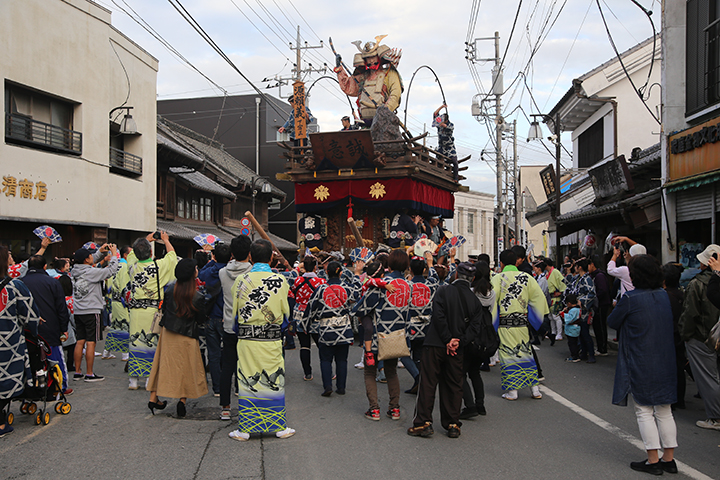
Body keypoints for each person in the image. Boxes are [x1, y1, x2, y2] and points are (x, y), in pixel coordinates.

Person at [607, 255, 678, 475]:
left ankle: (652, 460)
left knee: (644, 411)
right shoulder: (664, 296)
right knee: (664, 410)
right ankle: (669, 459)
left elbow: (612, 321)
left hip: (641, 358)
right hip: (665, 358)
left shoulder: (630, 298)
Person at [229, 239, 294, 441]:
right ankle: (278, 426)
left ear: (250, 256)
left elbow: (236, 313)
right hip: (271, 338)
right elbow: (286, 312)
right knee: (274, 378)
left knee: (248, 379)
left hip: (248, 339)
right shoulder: (281, 281)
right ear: (272, 256)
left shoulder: (241, 280)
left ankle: (246, 429)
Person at [408, 262, 482, 438]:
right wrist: (458, 341)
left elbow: (438, 316)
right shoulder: (475, 301)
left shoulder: (442, 291)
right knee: (454, 384)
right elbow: (475, 328)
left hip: (435, 343)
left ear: (456, 275)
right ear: (472, 279)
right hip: (457, 348)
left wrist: (447, 338)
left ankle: (423, 422)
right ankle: (453, 423)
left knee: (428, 383)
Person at [353, 249, 411, 421]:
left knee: (370, 372)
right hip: (397, 337)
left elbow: (361, 308)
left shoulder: (381, 284)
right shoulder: (410, 285)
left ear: (389, 264)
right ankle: (394, 409)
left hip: (377, 337)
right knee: (392, 372)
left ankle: (374, 409)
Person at [147, 258, 208, 417]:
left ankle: (153, 398)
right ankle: (182, 401)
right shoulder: (197, 296)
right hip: (188, 336)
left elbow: (166, 310)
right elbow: (201, 320)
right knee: (186, 368)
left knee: (162, 364)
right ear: (192, 273)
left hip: (168, 333)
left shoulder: (169, 290)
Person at [490, 249, 549, 401]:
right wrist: (532, 317)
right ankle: (535, 390)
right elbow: (538, 298)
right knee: (526, 353)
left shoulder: (498, 278)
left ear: (501, 263)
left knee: (508, 355)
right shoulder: (527, 277)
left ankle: (513, 391)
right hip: (522, 323)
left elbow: (490, 299)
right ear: (517, 261)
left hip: (505, 324)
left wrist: (492, 320)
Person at [126, 232, 178, 390]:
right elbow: (172, 256)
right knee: (150, 343)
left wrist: (147, 239)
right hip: (152, 311)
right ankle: (149, 378)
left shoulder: (132, 265)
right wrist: (165, 240)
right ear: (151, 253)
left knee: (135, 342)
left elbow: (132, 253)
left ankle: (133, 380)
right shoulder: (158, 266)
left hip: (135, 311)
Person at [0, 246, 41, 438]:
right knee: (7, 380)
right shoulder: (14, 286)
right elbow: (31, 316)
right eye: (8, 255)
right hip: (8, 342)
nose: (11, 257)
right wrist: (33, 331)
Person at [678, 244, 720, 431]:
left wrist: (685, 335)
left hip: (702, 336)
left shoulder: (698, 284)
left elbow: (690, 314)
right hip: (715, 334)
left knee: (708, 378)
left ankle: (715, 417)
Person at [303, 261, 357, 396]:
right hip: (344, 328)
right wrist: (357, 274)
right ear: (341, 272)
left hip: (326, 328)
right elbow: (358, 293)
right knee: (342, 359)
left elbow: (311, 307)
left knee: (325, 359)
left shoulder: (321, 289)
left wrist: (305, 325)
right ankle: (341, 387)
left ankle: (327, 386)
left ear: (326, 272)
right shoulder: (347, 287)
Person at [21, 255, 72, 394]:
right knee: (55, 360)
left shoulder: (20, 282)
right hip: (50, 329)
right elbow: (61, 308)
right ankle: (60, 387)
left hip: (26, 330)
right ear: (45, 267)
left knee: (30, 360)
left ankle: (30, 389)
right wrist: (64, 328)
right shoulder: (53, 282)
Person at [71, 243, 119, 382]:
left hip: (78, 310)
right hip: (91, 310)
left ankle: (78, 372)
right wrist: (114, 255)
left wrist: (99, 252)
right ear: (86, 259)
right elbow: (111, 271)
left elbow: (89, 262)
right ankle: (90, 373)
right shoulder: (91, 273)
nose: (93, 257)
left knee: (80, 341)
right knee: (91, 342)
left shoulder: (75, 270)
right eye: (90, 255)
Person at [218, 235, 253, 421]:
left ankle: (225, 407)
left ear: (232, 253)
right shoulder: (252, 274)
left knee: (228, 367)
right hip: (247, 326)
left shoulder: (223, 273)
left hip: (229, 325)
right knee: (247, 366)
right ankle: (246, 405)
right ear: (249, 253)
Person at [334, 35, 402, 127]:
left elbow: (395, 95)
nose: (371, 60)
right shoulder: (363, 77)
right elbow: (348, 86)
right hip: (365, 124)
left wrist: (385, 110)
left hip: (384, 124)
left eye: (373, 57)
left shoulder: (389, 74)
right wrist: (340, 69)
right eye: (368, 58)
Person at [460, 260, 494, 419]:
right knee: (475, 372)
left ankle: (470, 405)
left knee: (460, 373)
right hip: (485, 336)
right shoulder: (491, 292)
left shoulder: (471, 292)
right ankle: (480, 404)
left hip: (471, 335)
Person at [198, 243, 231, 398]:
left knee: (214, 353)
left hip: (212, 316)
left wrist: (212, 261)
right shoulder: (232, 271)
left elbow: (200, 274)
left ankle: (217, 388)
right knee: (232, 352)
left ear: (214, 256)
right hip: (229, 317)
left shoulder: (208, 272)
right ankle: (235, 386)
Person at [406, 252, 439, 394]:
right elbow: (435, 277)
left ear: (411, 270)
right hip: (427, 326)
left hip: (411, 326)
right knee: (419, 355)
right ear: (424, 269)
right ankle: (420, 382)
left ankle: (417, 378)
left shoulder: (407, 285)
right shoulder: (430, 284)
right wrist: (430, 263)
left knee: (406, 353)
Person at [290, 256, 326, 381]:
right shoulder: (321, 282)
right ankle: (327, 372)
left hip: (300, 314)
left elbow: (292, 293)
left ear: (303, 267)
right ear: (315, 267)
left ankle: (307, 373)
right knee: (321, 345)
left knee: (304, 345)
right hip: (315, 314)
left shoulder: (297, 281)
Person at [662, 263, 687, 410]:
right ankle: (680, 399)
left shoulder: (664, 297)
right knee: (679, 367)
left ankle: (670, 398)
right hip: (680, 335)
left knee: (668, 368)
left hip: (667, 336)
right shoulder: (681, 294)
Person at [104, 245, 132, 362]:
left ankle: (107, 352)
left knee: (116, 326)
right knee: (125, 326)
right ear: (126, 255)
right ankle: (125, 354)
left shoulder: (117, 265)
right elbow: (125, 287)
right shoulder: (125, 266)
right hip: (122, 301)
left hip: (114, 299)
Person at [566, 259, 597, 363]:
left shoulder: (587, 279)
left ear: (579, 267)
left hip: (583, 309)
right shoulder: (577, 278)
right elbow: (568, 283)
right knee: (580, 333)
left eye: (576, 266)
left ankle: (591, 354)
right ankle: (583, 352)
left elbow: (592, 293)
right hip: (576, 308)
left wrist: (582, 301)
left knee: (585, 333)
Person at [588, 255, 611, 356]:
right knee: (597, 326)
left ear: (592, 264)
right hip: (597, 304)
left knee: (601, 326)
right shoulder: (593, 275)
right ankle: (600, 347)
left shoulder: (599, 276)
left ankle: (603, 348)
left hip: (602, 304)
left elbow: (603, 290)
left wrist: (594, 298)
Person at [545, 258, 566, 341]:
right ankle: (553, 332)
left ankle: (559, 333)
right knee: (551, 316)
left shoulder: (555, 272)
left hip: (556, 297)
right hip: (550, 297)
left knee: (556, 316)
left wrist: (561, 292)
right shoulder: (548, 273)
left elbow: (562, 282)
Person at [561, 294, 582, 362]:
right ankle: (576, 354)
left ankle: (574, 356)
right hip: (575, 328)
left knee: (572, 343)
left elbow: (570, 318)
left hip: (573, 328)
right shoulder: (577, 309)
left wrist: (563, 314)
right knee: (574, 342)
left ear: (569, 303)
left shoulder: (574, 310)